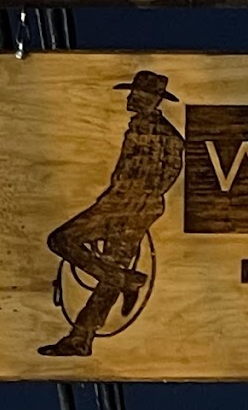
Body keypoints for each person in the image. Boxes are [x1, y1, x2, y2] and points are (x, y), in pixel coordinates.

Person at [38, 70, 184, 357]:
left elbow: (165, 175)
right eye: (133, 92)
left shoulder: (165, 136)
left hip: (126, 206)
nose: (132, 97)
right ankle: (87, 330)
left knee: (61, 240)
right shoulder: (151, 131)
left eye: (139, 93)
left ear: (154, 99)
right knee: (106, 265)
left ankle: (115, 288)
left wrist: (135, 201)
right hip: (128, 205)